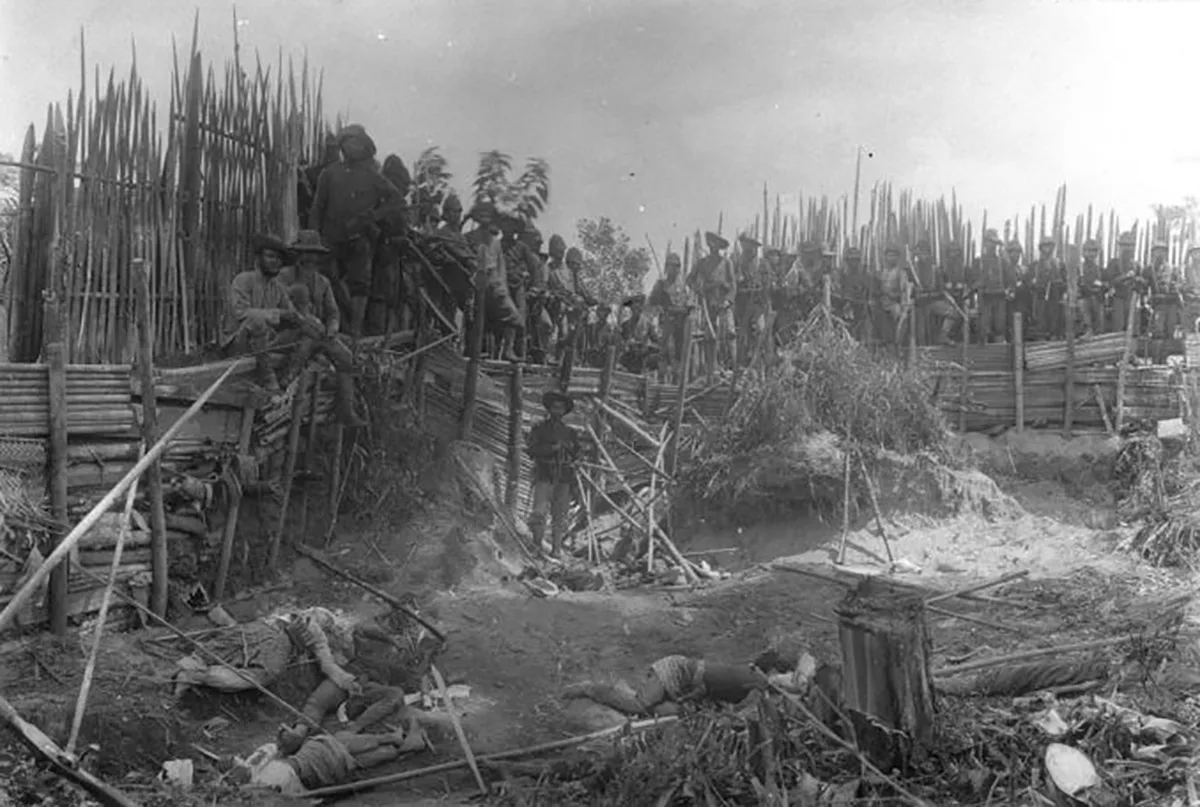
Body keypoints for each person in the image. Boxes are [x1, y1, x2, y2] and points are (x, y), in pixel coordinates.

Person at [308, 124, 407, 337]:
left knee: (360, 283)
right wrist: (315, 235)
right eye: (347, 143)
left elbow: (396, 200)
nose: (351, 147)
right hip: (330, 237)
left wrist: (373, 216)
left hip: (360, 238)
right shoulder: (330, 173)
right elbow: (317, 207)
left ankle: (354, 330)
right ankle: (339, 322)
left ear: (363, 146)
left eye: (356, 142)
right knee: (329, 278)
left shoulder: (372, 175)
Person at [561, 641, 814, 717]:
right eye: (784, 680)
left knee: (664, 712)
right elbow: (705, 683)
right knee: (640, 705)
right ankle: (590, 689)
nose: (784, 685)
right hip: (673, 671)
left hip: (681, 686)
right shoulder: (753, 680)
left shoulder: (753, 680)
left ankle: (620, 696)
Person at [277, 230, 366, 426]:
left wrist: (332, 327)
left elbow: (333, 312)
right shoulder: (284, 277)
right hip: (289, 333)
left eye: (313, 255)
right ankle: (286, 379)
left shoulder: (323, 282)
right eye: (305, 254)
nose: (309, 259)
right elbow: (279, 306)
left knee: (346, 358)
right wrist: (302, 317)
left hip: (318, 335)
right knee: (308, 337)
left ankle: (346, 410)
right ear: (297, 255)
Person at [237, 719, 429, 795]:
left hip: (322, 773)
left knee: (355, 758)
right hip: (314, 762)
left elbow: (278, 747)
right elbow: (277, 747)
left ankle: (402, 746)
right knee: (340, 742)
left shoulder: (254, 772)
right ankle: (394, 739)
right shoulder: (254, 771)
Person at [222, 234, 306, 394]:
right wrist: (279, 314)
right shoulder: (243, 280)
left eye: (279, 258)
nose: (275, 261)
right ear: (258, 258)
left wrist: (300, 320)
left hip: (265, 344)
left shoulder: (277, 288)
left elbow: (292, 315)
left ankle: (289, 377)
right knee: (256, 322)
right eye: (270, 256)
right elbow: (241, 312)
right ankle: (269, 380)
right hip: (238, 343)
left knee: (306, 329)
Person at [526, 390, 582, 559]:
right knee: (539, 513)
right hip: (544, 475)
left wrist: (573, 454)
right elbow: (532, 450)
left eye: (561, 408)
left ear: (565, 412)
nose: (557, 411)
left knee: (560, 516)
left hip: (564, 477)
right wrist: (552, 449)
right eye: (555, 408)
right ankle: (536, 547)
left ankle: (556, 550)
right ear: (549, 409)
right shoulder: (539, 429)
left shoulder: (570, 433)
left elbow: (577, 454)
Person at [465, 201, 523, 362]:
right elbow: (466, 262)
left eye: (489, 216)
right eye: (482, 215)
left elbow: (501, 270)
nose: (486, 218)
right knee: (474, 323)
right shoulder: (469, 238)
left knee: (515, 317)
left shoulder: (495, 242)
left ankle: (508, 349)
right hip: (476, 286)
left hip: (495, 289)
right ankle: (471, 352)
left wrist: (503, 290)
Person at [688, 231, 737, 373]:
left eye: (716, 244)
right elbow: (689, 279)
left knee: (729, 333)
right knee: (709, 335)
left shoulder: (727, 263)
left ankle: (732, 366)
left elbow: (733, 285)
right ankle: (712, 368)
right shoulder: (702, 263)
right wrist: (699, 288)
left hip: (724, 303)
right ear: (708, 245)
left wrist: (728, 300)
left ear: (720, 246)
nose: (713, 246)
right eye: (711, 243)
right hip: (708, 303)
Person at [649, 252, 691, 378]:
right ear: (667, 267)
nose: (675, 269)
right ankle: (662, 375)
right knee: (664, 349)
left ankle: (677, 376)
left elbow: (687, 303)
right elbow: (653, 301)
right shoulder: (661, 284)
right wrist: (661, 309)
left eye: (677, 266)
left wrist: (687, 309)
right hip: (666, 320)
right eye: (672, 266)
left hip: (680, 321)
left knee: (679, 350)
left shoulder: (683, 287)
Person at [975, 230, 1013, 344]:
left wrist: (1005, 257)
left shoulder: (1001, 260)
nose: (993, 245)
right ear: (985, 243)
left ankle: (1000, 351)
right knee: (984, 327)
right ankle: (983, 353)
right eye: (990, 242)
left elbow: (1011, 278)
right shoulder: (979, 260)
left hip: (999, 297)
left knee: (999, 326)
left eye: (995, 243)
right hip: (985, 297)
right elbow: (974, 280)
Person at [1106, 232, 1147, 335]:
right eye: (1125, 245)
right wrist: (1125, 276)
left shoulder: (1136, 265)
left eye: (1130, 245)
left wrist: (1138, 280)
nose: (1128, 248)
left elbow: (1143, 283)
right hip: (1118, 298)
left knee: (1134, 327)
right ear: (1120, 246)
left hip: (1132, 298)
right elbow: (1110, 281)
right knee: (1118, 326)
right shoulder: (1114, 263)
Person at [1149, 240, 1182, 351]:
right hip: (1158, 305)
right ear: (1153, 253)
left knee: (1170, 330)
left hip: (1171, 304)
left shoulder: (1173, 269)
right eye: (1157, 251)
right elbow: (1144, 287)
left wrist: (1175, 290)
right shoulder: (1149, 270)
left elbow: (1179, 286)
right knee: (1158, 331)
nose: (1160, 254)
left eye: (1162, 251)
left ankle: (1165, 358)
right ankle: (1156, 359)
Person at [1032, 236, 1066, 339]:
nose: (1047, 249)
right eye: (1045, 246)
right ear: (1041, 248)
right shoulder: (1035, 265)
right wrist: (1036, 284)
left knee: (1055, 320)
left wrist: (1059, 284)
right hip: (1040, 297)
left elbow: (1066, 281)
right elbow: (1029, 281)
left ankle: (1054, 337)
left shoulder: (1059, 264)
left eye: (1049, 246)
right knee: (1041, 320)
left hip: (1055, 298)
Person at [618, 294, 659, 374]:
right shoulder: (625, 325)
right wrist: (625, 344)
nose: (637, 309)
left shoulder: (648, 324)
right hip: (628, 358)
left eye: (640, 307)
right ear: (631, 309)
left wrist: (647, 347)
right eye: (635, 307)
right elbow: (620, 341)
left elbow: (656, 342)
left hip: (642, 357)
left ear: (642, 308)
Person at [1078, 239, 1106, 335]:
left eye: (1094, 251)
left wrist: (1102, 286)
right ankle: (1087, 329)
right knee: (1083, 305)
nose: (1091, 254)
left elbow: (1101, 282)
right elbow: (1078, 283)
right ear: (1084, 252)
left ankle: (1098, 332)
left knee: (1098, 310)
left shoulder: (1099, 269)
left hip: (1097, 297)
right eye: (1089, 251)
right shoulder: (1080, 268)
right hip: (1084, 297)